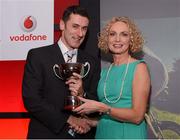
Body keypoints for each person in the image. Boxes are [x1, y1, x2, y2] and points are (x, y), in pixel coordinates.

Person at [22, 5, 100, 139]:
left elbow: (96, 102)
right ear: (62, 25)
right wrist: (68, 119)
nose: (80, 34)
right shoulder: (38, 55)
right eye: (75, 26)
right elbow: (32, 99)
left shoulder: (91, 62)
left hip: (82, 135)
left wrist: (82, 93)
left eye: (84, 28)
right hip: (46, 135)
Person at [74, 16, 151, 139]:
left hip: (129, 134)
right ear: (106, 38)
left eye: (124, 34)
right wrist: (90, 122)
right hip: (104, 134)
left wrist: (103, 108)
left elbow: (137, 116)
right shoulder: (105, 72)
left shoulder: (139, 68)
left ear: (131, 39)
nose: (117, 39)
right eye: (112, 34)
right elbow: (108, 116)